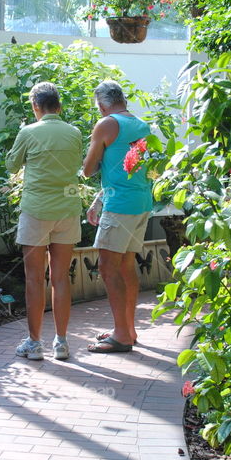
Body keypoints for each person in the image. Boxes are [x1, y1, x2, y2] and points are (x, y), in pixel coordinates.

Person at [5, 82, 83, 361]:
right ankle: (61, 343)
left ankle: (34, 344)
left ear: (35, 106)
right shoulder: (74, 132)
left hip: (36, 211)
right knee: (60, 279)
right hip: (68, 210)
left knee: (34, 280)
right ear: (59, 106)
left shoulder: (28, 132)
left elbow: (11, 166)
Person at [82, 80, 152, 353]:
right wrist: (98, 199)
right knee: (126, 266)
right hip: (141, 201)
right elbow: (129, 169)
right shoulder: (140, 124)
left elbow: (88, 169)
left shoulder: (106, 124)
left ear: (101, 104)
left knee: (108, 268)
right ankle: (128, 330)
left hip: (120, 206)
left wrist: (97, 154)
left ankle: (122, 335)